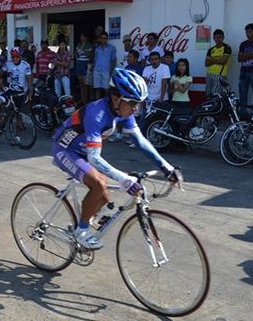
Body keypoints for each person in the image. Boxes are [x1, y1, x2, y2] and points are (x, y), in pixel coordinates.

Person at [52, 68, 182, 249]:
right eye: (133, 103)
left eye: (139, 104)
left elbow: (139, 140)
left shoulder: (122, 111)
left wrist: (166, 167)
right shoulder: (97, 114)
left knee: (104, 196)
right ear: (116, 98)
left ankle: (80, 224)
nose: (136, 109)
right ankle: (81, 231)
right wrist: (124, 179)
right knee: (99, 184)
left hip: (83, 152)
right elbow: (95, 158)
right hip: (65, 150)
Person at [0, 48, 32, 135]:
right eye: (13, 57)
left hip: (21, 92)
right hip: (11, 90)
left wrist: (29, 93)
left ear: (20, 57)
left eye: (17, 57)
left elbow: (30, 81)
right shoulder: (8, 64)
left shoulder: (25, 65)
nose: (15, 59)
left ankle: (17, 137)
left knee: (17, 114)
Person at [205, 29, 231, 97]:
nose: (217, 39)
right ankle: (209, 108)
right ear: (213, 38)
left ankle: (216, 108)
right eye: (216, 37)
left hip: (220, 75)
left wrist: (212, 59)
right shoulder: (211, 49)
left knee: (215, 96)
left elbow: (223, 61)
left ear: (223, 37)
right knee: (208, 95)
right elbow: (206, 63)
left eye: (219, 37)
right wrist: (218, 59)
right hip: (209, 74)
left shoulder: (226, 47)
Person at [93, 31, 117, 99]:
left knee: (106, 89)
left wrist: (111, 70)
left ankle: (106, 104)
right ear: (100, 39)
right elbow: (95, 59)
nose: (103, 40)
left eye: (105, 38)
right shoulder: (97, 48)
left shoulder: (112, 48)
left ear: (107, 39)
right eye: (102, 38)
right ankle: (97, 104)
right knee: (97, 88)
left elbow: (114, 60)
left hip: (106, 71)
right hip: (97, 70)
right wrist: (93, 68)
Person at [237, 23, 253, 116]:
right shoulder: (243, 44)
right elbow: (239, 59)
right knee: (242, 94)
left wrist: (245, 56)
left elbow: (242, 56)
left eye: (249, 31)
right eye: (246, 32)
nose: (247, 34)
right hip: (243, 72)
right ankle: (243, 114)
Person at [75, 33, 93, 104]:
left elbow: (89, 54)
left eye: (83, 36)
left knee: (85, 83)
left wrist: (83, 53)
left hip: (85, 64)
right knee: (80, 82)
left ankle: (86, 99)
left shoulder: (89, 44)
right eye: (81, 36)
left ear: (86, 37)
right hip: (79, 64)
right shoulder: (79, 44)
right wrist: (77, 58)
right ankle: (83, 99)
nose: (81, 38)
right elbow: (76, 52)